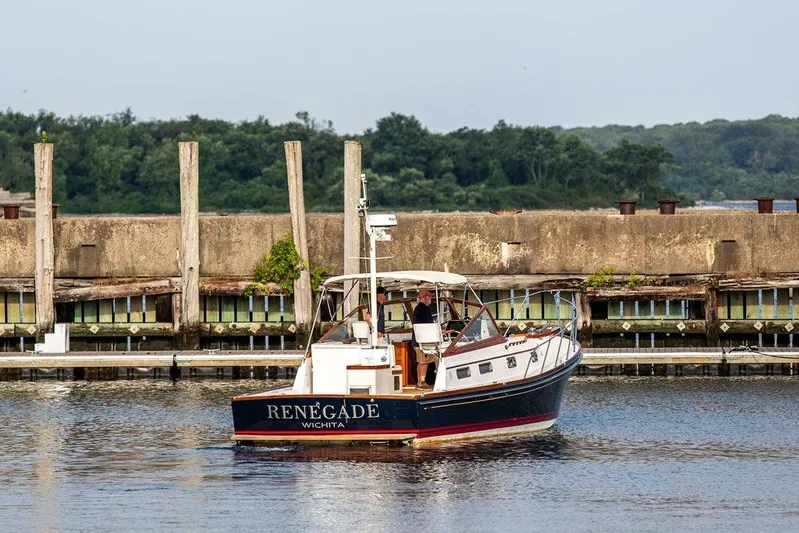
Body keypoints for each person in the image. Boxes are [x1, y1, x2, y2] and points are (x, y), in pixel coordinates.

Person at [411, 289, 436, 389]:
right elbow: (426, 325)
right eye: (429, 297)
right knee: (424, 362)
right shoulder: (423, 308)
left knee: (420, 361)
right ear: (425, 298)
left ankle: (419, 381)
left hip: (417, 340)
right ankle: (422, 382)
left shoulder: (418, 308)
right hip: (422, 341)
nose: (430, 300)